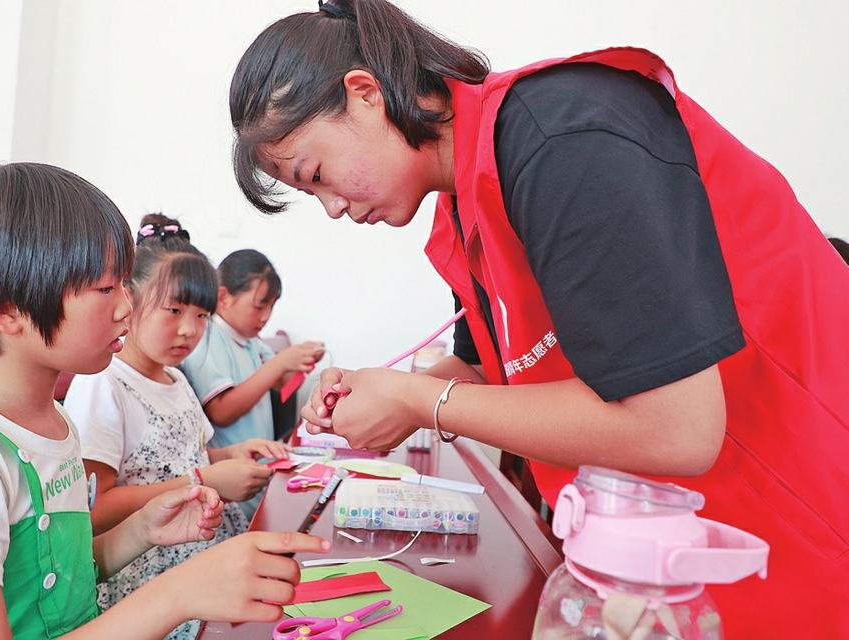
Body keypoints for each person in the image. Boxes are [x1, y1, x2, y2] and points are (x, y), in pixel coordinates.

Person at [227, 1, 849, 637]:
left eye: (318, 175)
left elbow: (676, 428)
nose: (333, 208)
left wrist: (417, 400)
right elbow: (490, 366)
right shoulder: (462, 207)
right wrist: (379, 396)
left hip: (798, 518)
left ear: (364, 94)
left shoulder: (559, 139)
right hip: (665, 555)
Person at [0, 163, 330, 640]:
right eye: (106, 288)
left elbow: (65, 582)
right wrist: (177, 593)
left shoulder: (55, 423)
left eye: (124, 284)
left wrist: (141, 531)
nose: (125, 306)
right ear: (6, 308)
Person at [64, 214, 290, 639]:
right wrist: (205, 479)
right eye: (174, 310)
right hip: (150, 578)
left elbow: (188, 455)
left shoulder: (177, 379)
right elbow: (94, 510)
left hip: (205, 552)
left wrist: (233, 455)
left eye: (202, 315)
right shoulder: (105, 384)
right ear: (129, 299)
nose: (190, 329)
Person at [180, 249, 324, 518]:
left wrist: (303, 364)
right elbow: (221, 411)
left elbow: (283, 388)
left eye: (271, 307)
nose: (266, 316)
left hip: (262, 473)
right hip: (233, 488)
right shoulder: (210, 337)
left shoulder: (252, 341)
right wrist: (279, 364)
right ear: (223, 297)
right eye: (259, 306)